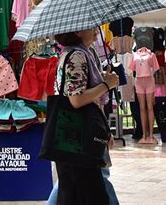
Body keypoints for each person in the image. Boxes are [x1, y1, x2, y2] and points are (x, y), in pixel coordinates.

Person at [50, 28, 119, 205]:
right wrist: (106, 85)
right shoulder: (77, 56)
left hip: (73, 136)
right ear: (78, 31)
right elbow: (76, 99)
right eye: (91, 27)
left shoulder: (77, 54)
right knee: (88, 193)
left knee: (73, 192)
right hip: (78, 137)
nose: (96, 29)